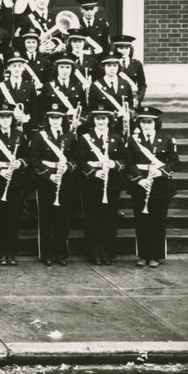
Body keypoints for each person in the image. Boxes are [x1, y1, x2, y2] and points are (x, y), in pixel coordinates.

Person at [126, 106, 179, 267]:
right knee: (141, 221)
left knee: (158, 221)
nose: (146, 125)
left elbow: (174, 161)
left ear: (156, 123)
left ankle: (155, 255)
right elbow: (129, 163)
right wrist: (139, 180)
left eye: (149, 122)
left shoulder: (167, 138)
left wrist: (162, 172)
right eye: (143, 122)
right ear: (139, 123)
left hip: (160, 185)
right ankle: (143, 255)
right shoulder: (133, 140)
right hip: (141, 184)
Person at [75, 109, 127, 265]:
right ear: (93, 120)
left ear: (109, 120)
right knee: (91, 219)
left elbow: (125, 159)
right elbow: (80, 161)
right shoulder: (85, 138)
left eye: (104, 118)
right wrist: (93, 173)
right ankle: (93, 253)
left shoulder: (117, 138)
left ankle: (108, 253)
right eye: (98, 118)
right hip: (91, 184)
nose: (101, 121)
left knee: (109, 219)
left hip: (111, 184)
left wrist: (114, 164)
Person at [30, 105, 78, 266]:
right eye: (52, 118)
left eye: (58, 118)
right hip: (46, 181)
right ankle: (47, 254)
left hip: (65, 180)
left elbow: (75, 158)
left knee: (63, 219)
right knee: (46, 219)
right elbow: (34, 159)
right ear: (48, 119)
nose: (55, 121)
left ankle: (61, 253)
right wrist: (48, 175)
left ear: (63, 119)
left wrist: (68, 167)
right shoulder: (40, 136)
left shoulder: (70, 135)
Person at [0, 107, 29, 265]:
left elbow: (27, 157)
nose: (5, 120)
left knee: (13, 218)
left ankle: (11, 253)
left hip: (15, 181)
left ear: (12, 119)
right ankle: (0, 253)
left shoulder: (20, 135)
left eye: (8, 117)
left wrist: (19, 163)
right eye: (1, 117)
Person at [112, 34, 147, 105]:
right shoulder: (111, 64)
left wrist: (138, 98)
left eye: (126, 48)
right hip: (116, 100)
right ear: (116, 49)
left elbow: (142, 84)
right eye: (121, 48)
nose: (124, 51)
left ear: (130, 49)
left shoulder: (137, 64)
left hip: (132, 100)